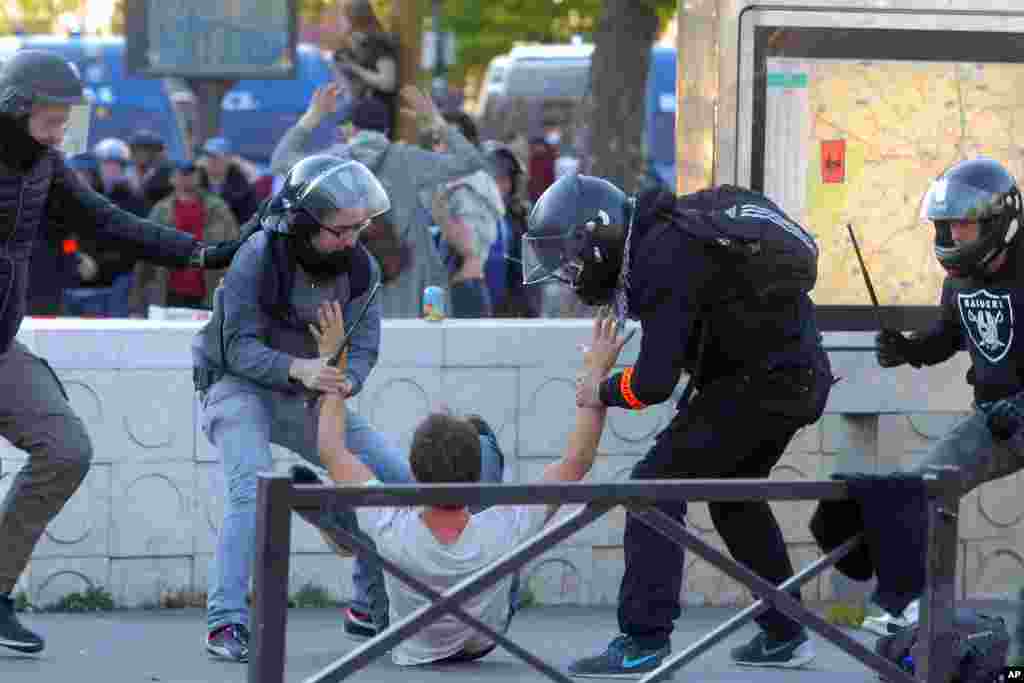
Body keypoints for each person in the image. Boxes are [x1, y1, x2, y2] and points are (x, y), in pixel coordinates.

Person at [521, 175, 834, 676]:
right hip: (794, 380)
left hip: (758, 387)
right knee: (734, 498)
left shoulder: (659, 258)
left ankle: (643, 640)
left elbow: (653, 383)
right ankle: (786, 632)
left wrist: (598, 390)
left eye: (571, 260)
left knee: (649, 489)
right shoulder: (669, 236)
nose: (570, 274)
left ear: (596, 240)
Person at [0, 48, 241, 654]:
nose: (61, 133)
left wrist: (196, 253)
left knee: (67, 449)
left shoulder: (46, 169)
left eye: (65, 120)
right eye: (52, 120)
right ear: (15, 109)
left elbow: (107, 221)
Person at [310, 303, 630, 666]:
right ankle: (349, 524)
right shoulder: (505, 525)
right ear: (479, 481)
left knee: (371, 531)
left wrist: (334, 364)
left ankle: (342, 526)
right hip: (483, 638)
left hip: (410, 642)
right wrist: (596, 378)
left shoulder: (391, 523)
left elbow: (332, 450)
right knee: (482, 438)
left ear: (413, 477)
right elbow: (577, 462)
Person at [190, 155, 412, 662]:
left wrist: (343, 378)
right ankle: (226, 622)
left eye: (360, 228)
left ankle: (369, 606)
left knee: (393, 477)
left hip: (310, 389)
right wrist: (301, 368)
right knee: (252, 487)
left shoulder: (362, 268)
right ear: (303, 223)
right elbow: (235, 347)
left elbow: (367, 347)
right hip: (235, 383)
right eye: (340, 230)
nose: (351, 240)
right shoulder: (258, 256)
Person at [871, 156, 1024, 627]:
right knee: (927, 486)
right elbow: (951, 337)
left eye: (964, 226)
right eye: (945, 226)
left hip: (1016, 410)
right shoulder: (958, 281)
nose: (951, 237)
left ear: (999, 225)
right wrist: (908, 349)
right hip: (993, 419)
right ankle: (912, 606)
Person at [270, 83, 486, 319]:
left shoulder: (333, 162)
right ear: (386, 130)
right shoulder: (408, 160)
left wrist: (313, 116)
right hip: (408, 290)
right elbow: (471, 160)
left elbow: (280, 160)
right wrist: (434, 119)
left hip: (348, 291)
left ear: (352, 129)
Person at [130, 160, 239, 315]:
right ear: (172, 178)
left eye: (191, 173)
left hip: (209, 296)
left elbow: (235, 250)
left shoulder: (219, 210)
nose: (186, 178)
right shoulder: (160, 211)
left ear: (199, 177)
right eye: (181, 174)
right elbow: (144, 258)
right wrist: (137, 305)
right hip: (167, 296)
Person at [427, 111, 504, 317]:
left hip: (463, 291)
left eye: (450, 139)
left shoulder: (470, 184)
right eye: (437, 140)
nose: (441, 147)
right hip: (448, 290)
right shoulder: (450, 183)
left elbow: (470, 250)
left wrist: (438, 210)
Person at [61, 139, 147, 317]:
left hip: (114, 283)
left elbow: (128, 246)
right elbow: (64, 238)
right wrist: (76, 257)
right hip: (74, 283)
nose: (81, 179)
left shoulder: (124, 202)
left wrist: (98, 264)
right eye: (76, 174)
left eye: (86, 174)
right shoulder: (65, 204)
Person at [483, 142, 539, 318]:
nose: (500, 187)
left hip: (508, 312)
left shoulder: (518, 219)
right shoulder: (466, 216)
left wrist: (528, 312)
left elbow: (528, 273)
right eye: (495, 179)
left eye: (505, 179)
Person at [333, 0, 398, 138]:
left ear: (353, 18)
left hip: (375, 117)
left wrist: (354, 67)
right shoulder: (356, 43)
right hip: (362, 115)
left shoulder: (378, 43)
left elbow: (387, 82)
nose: (339, 21)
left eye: (342, 17)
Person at [197, 136, 260, 225]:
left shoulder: (243, 190)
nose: (211, 161)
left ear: (228, 159)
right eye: (208, 156)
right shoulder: (193, 184)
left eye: (216, 157)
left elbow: (249, 223)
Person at [128, 128, 174, 211]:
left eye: (145, 149)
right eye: (136, 150)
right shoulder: (127, 176)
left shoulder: (164, 176)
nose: (139, 154)